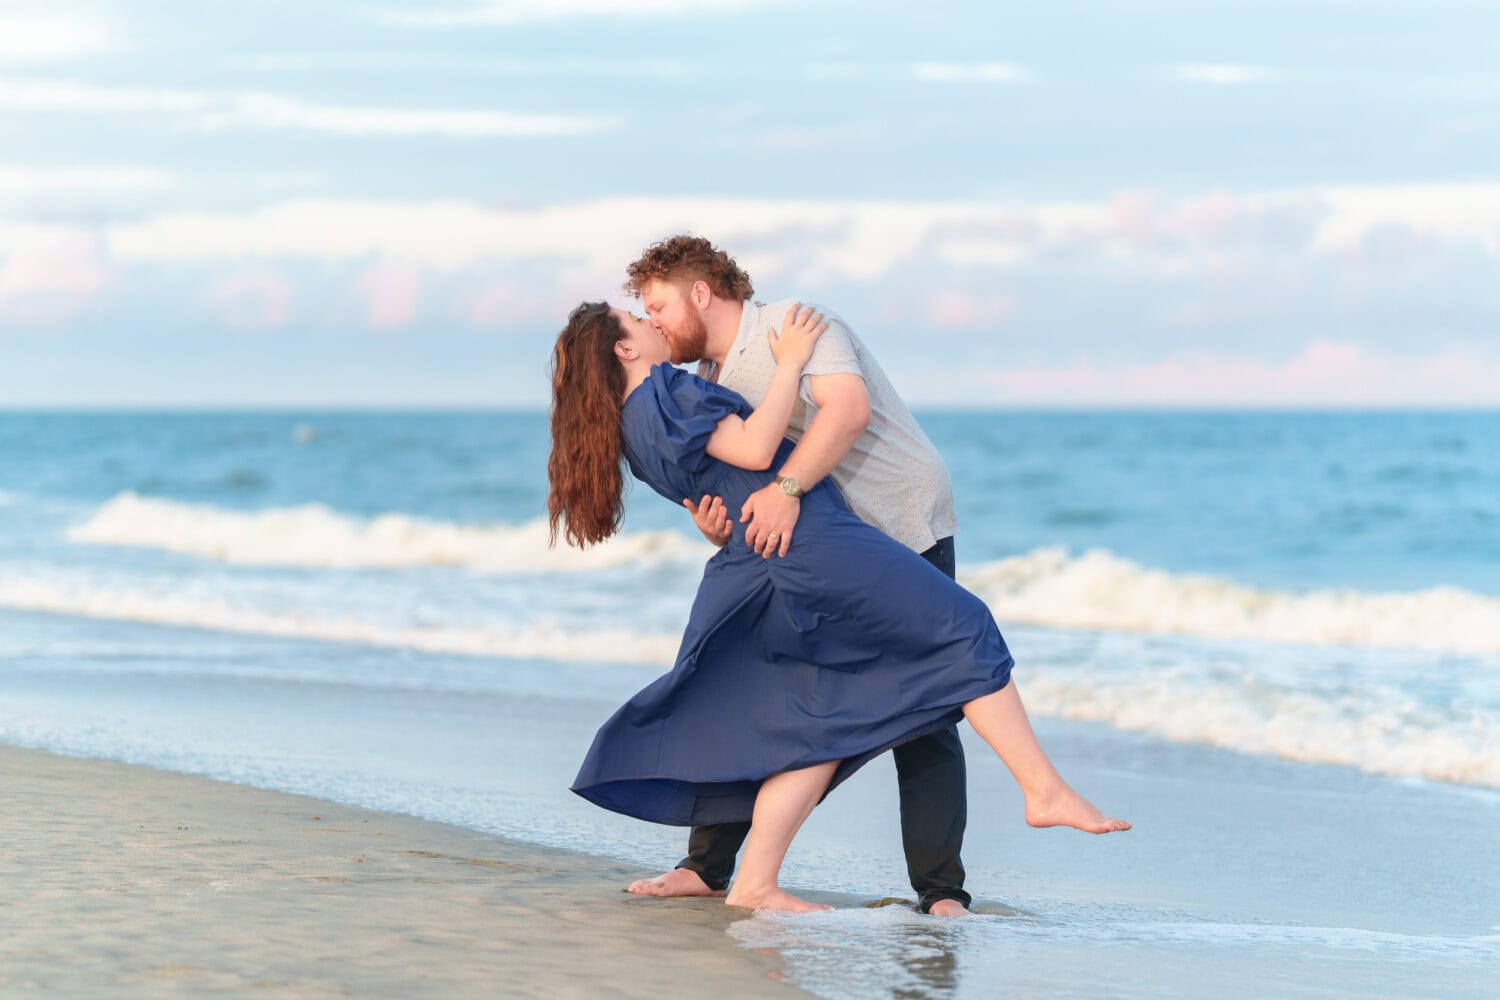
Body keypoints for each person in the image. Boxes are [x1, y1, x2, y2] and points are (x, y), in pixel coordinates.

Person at [549, 301, 1129, 914]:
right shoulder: (665, 393)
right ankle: (1043, 791)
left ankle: (755, 883)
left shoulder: (634, 427)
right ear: (623, 349)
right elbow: (752, 449)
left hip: (767, 552)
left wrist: (719, 522)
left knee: (818, 716)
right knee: (966, 627)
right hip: (812, 542)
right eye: (640, 320)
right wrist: (793, 360)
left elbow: (716, 481)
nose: (651, 322)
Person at [622, 236, 975, 917]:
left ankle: (941, 894)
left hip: (896, 520)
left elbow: (847, 411)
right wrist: (719, 521)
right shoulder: (704, 381)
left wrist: (784, 489)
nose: (656, 321)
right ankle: (706, 866)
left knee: (927, 706)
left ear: (701, 293)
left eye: (659, 306)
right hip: (811, 541)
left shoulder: (796, 323)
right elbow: (730, 466)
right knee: (753, 685)